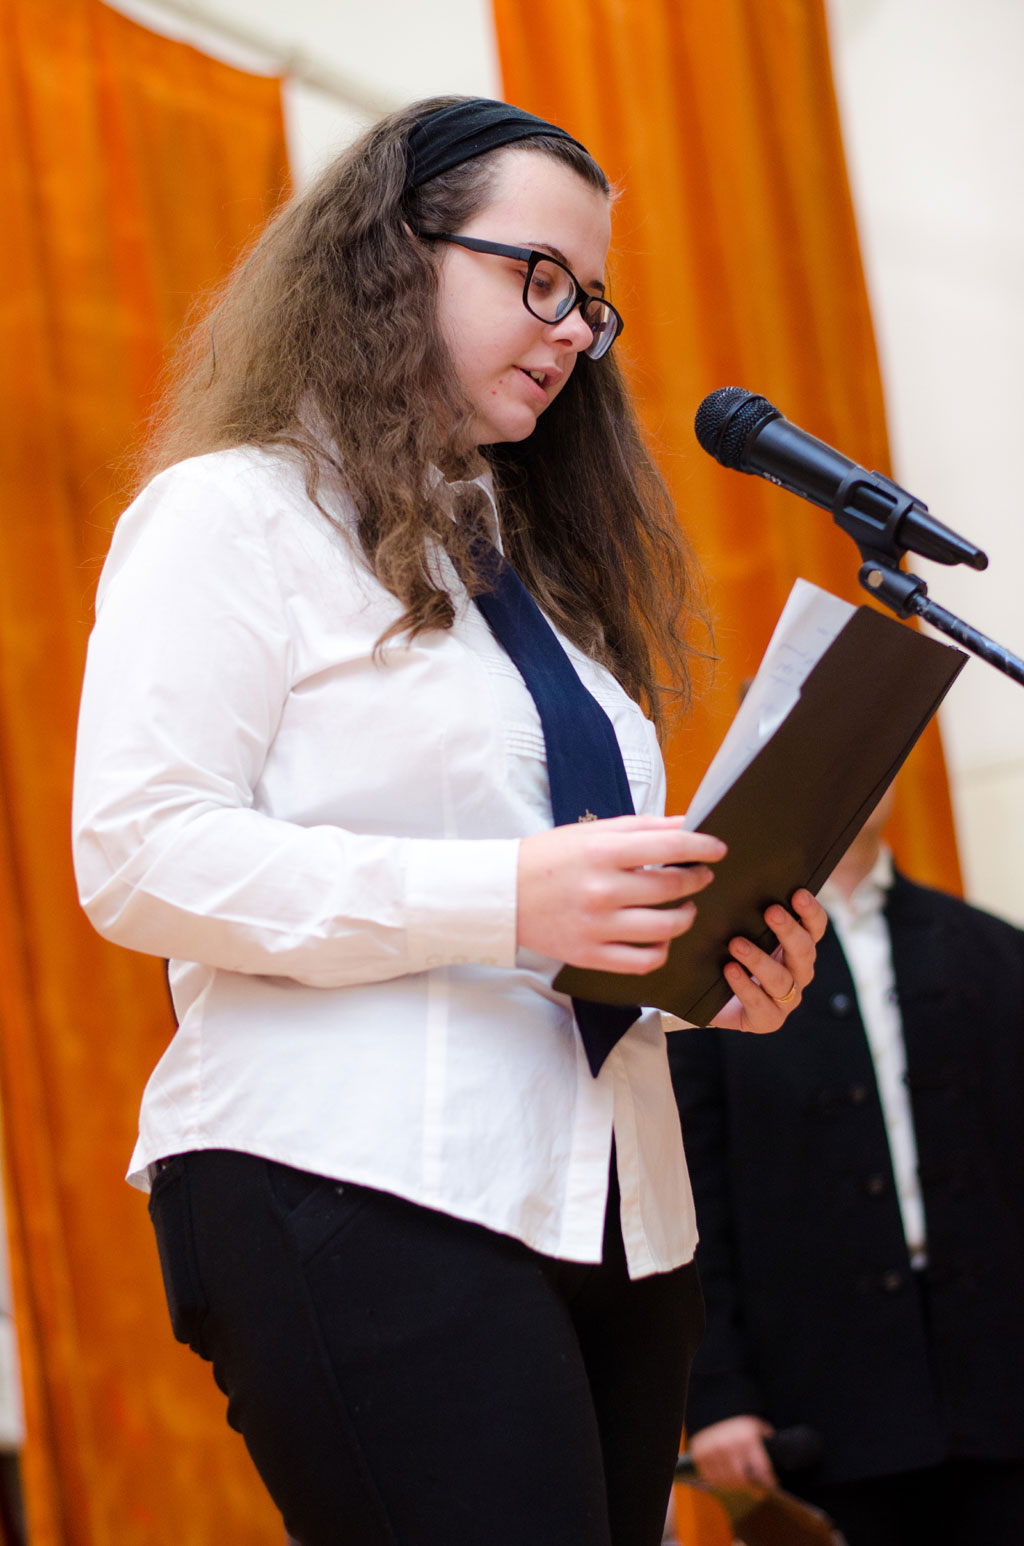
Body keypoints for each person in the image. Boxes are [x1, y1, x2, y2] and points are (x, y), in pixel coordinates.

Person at [71, 96, 824, 1546]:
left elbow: (558, 932)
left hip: (613, 1202)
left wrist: (707, 975)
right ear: (392, 254)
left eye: (591, 301)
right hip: (354, 1171)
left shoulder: (530, 584)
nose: (573, 329)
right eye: (538, 276)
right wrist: (510, 896)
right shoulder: (234, 514)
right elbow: (139, 851)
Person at [669, 788, 1024, 1546]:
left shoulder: (994, 951)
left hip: (999, 1389)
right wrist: (717, 1393)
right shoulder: (719, 972)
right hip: (814, 1400)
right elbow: (690, 1187)